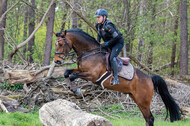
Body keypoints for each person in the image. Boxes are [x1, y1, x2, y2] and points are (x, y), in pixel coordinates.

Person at [95, 9, 124, 85]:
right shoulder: (98, 26)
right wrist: (96, 46)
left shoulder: (108, 26)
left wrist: (106, 44)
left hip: (118, 43)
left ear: (104, 17)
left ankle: (116, 78)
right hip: (110, 43)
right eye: (97, 17)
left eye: (99, 17)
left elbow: (116, 38)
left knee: (112, 57)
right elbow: (98, 37)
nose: (97, 18)